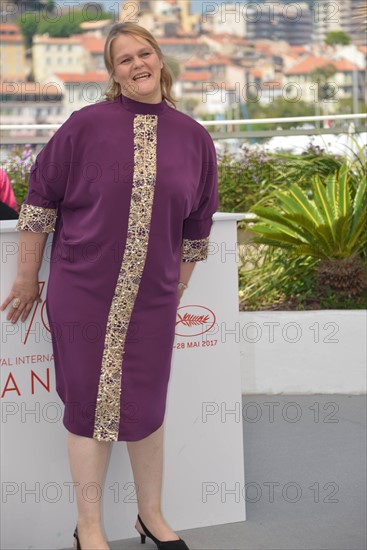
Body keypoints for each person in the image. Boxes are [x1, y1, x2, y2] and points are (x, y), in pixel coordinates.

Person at [0, 22, 219, 550]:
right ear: (112, 73)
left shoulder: (194, 138)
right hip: (83, 292)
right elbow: (38, 201)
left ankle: (151, 516)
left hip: (153, 299)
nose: (137, 64)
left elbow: (198, 224)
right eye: (124, 59)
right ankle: (90, 529)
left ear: (160, 59)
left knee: (145, 409)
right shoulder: (85, 126)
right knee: (87, 408)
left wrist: (176, 286)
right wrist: (28, 277)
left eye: (144, 53)